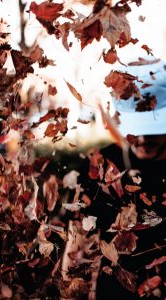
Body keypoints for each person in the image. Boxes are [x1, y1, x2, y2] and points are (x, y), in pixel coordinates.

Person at [62, 57, 166, 299]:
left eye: (151, 130)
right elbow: (77, 250)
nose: (140, 139)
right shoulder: (100, 165)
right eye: (134, 130)